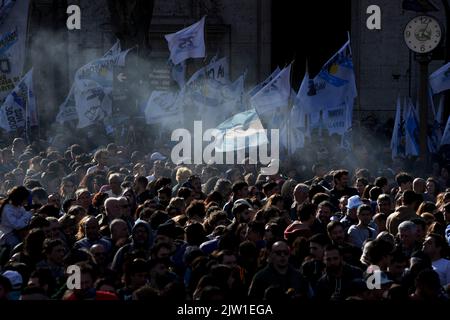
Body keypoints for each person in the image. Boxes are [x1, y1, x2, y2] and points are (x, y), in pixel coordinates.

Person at [0, 186, 32, 251]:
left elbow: (25, 218)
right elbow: (17, 225)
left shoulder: (19, 207)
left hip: (19, 233)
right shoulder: (7, 209)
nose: (26, 202)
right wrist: (28, 214)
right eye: (25, 199)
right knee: (15, 244)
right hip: (8, 235)